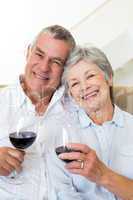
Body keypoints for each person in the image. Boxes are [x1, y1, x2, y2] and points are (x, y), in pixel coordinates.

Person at [0, 25, 76, 199]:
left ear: (66, 69)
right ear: (28, 52)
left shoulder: (78, 106)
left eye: (56, 62)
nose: (44, 67)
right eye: (39, 55)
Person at [48, 46, 133, 200]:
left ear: (109, 77)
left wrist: (103, 175)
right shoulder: (61, 136)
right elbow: (62, 193)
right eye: (74, 84)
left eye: (90, 76)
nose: (84, 87)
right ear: (71, 95)